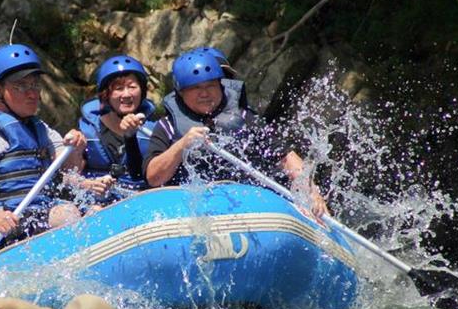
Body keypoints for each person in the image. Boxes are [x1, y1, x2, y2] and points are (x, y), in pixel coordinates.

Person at [143, 49, 328, 217]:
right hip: (193, 210)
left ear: (221, 85)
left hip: (246, 203)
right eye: (195, 88)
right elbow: (153, 177)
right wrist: (182, 145)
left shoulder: (245, 118)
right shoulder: (167, 127)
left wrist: (310, 190)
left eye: (210, 85)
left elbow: (286, 156)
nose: (205, 93)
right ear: (181, 92)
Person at [0, 44, 86, 252]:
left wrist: (76, 148)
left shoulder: (38, 127)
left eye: (35, 85)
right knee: (67, 214)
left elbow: (69, 171)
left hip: (38, 215)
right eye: (21, 86)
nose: (32, 94)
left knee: (93, 210)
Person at [76, 54, 158, 204]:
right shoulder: (86, 131)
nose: (126, 94)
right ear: (106, 95)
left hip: (140, 202)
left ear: (142, 92)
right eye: (119, 88)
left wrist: (130, 135)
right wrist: (87, 184)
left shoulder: (154, 132)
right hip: (95, 205)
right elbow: (68, 178)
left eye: (132, 87)